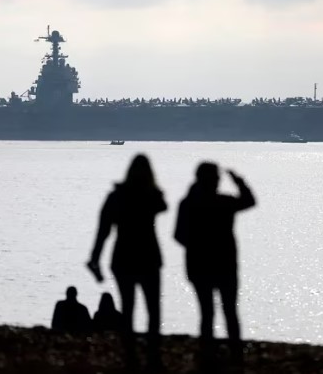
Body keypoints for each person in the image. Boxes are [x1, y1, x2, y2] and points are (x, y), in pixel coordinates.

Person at [87, 154, 167, 366]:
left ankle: (130, 355)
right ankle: (152, 355)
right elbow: (163, 205)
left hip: (123, 257)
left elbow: (103, 230)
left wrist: (95, 258)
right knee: (153, 309)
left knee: (128, 307)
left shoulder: (117, 196)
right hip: (148, 257)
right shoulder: (151, 195)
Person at [174, 162, 256, 364]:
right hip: (225, 264)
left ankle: (208, 353)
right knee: (230, 311)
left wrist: (195, 246)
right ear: (216, 181)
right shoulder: (224, 202)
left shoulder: (189, 203)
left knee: (207, 313)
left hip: (199, 265)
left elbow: (179, 235)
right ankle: (236, 354)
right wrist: (239, 181)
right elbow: (249, 201)